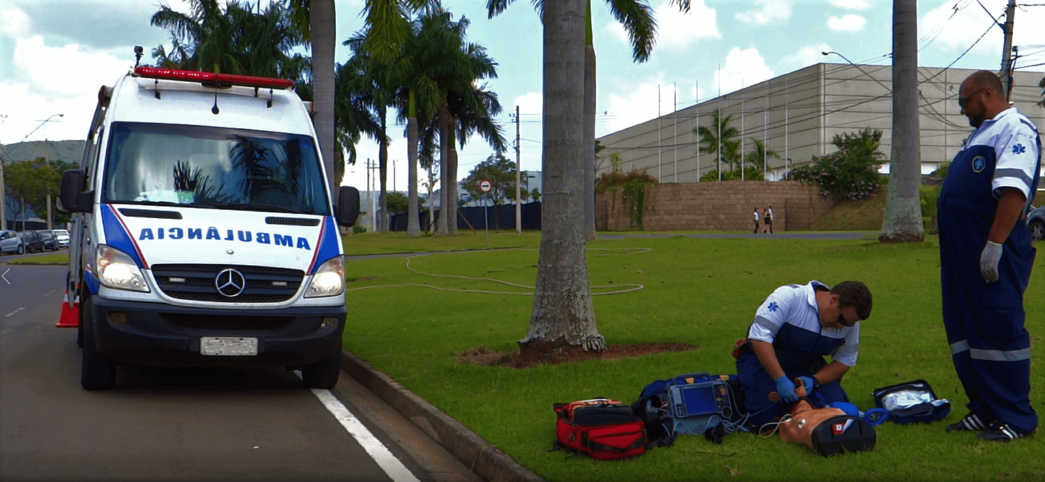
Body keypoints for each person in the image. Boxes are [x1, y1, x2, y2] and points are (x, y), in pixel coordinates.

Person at [938, 70, 1040, 442]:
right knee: (965, 330)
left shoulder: (1015, 129)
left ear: (986, 93)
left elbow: (1013, 191)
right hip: (961, 256)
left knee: (998, 326)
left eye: (964, 101)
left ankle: (1015, 417)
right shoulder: (981, 133)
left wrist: (994, 245)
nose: (962, 109)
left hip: (992, 250)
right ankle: (984, 409)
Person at [734, 280, 873, 430]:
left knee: (839, 414)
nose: (841, 326)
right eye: (842, 320)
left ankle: (798, 403)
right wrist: (780, 379)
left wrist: (815, 380)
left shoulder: (849, 322)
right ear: (834, 299)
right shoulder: (789, 297)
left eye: (848, 324)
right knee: (766, 423)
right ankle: (740, 388)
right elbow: (759, 338)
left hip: (808, 367)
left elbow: (845, 360)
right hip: (764, 363)